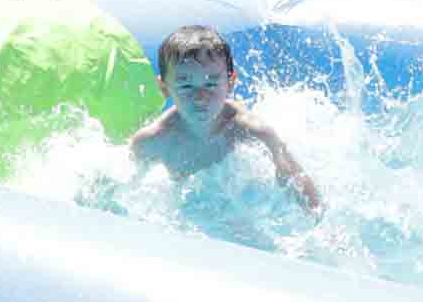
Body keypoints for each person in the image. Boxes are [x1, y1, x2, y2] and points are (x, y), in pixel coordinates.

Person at [128, 26, 320, 211]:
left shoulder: (253, 131)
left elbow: (298, 184)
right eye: (186, 86)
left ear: (230, 83)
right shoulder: (152, 141)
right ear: (164, 88)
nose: (200, 97)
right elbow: (128, 188)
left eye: (211, 84)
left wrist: (315, 218)